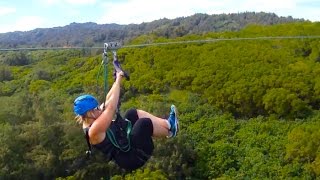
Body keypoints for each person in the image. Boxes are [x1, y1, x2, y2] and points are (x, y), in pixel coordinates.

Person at [73, 71, 179, 170]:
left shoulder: (91, 118)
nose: (99, 109)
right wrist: (119, 79)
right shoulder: (94, 130)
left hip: (126, 144)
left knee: (132, 113)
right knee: (144, 123)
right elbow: (111, 107)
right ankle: (170, 132)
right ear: (90, 113)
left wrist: (116, 81)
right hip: (131, 158)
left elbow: (108, 100)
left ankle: (169, 124)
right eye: (96, 109)